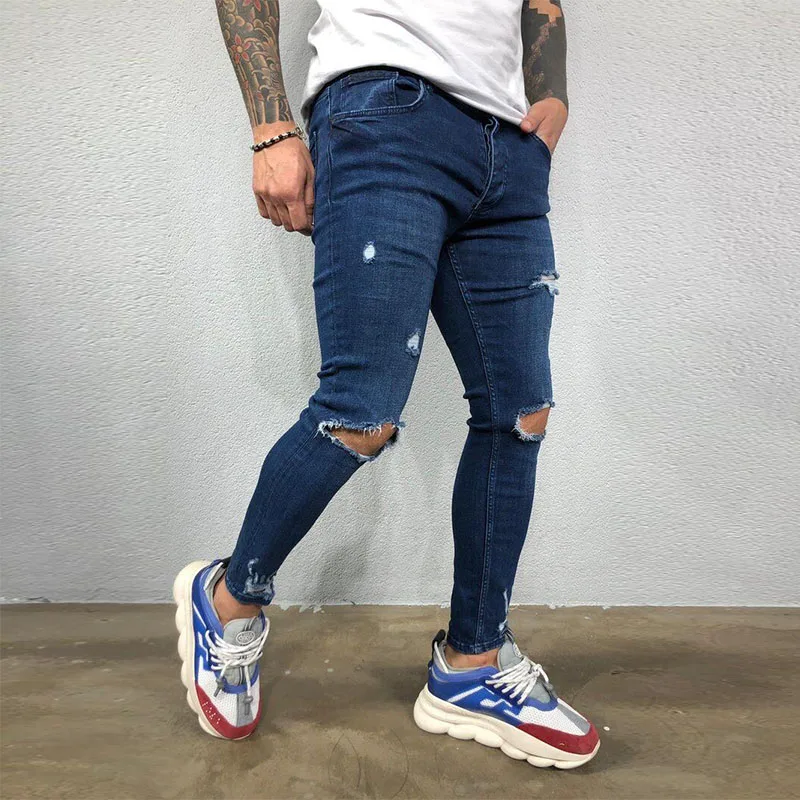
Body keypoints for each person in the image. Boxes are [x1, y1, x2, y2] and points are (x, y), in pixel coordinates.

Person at [172, 0, 599, 768]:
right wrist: (271, 128)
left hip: (509, 147)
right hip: (385, 113)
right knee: (359, 415)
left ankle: (471, 662)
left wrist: (554, 95)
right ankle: (228, 599)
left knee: (521, 415)